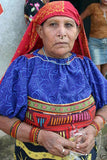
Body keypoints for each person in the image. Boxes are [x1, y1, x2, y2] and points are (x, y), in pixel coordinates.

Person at [0, 1, 107, 160]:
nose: (61, 32)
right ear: (40, 30)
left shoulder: (86, 66)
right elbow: (2, 117)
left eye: (69, 25)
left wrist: (93, 128)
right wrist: (40, 136)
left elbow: (105, 105)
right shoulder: (23, 67)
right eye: (53, 24)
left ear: (78, 31)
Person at [81, 0, 107, 78]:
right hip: (95, 42)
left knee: (104, 72)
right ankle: (98, 87)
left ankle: (103, 88)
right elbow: (80, 18)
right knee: (97, 71)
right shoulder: (93, 7)